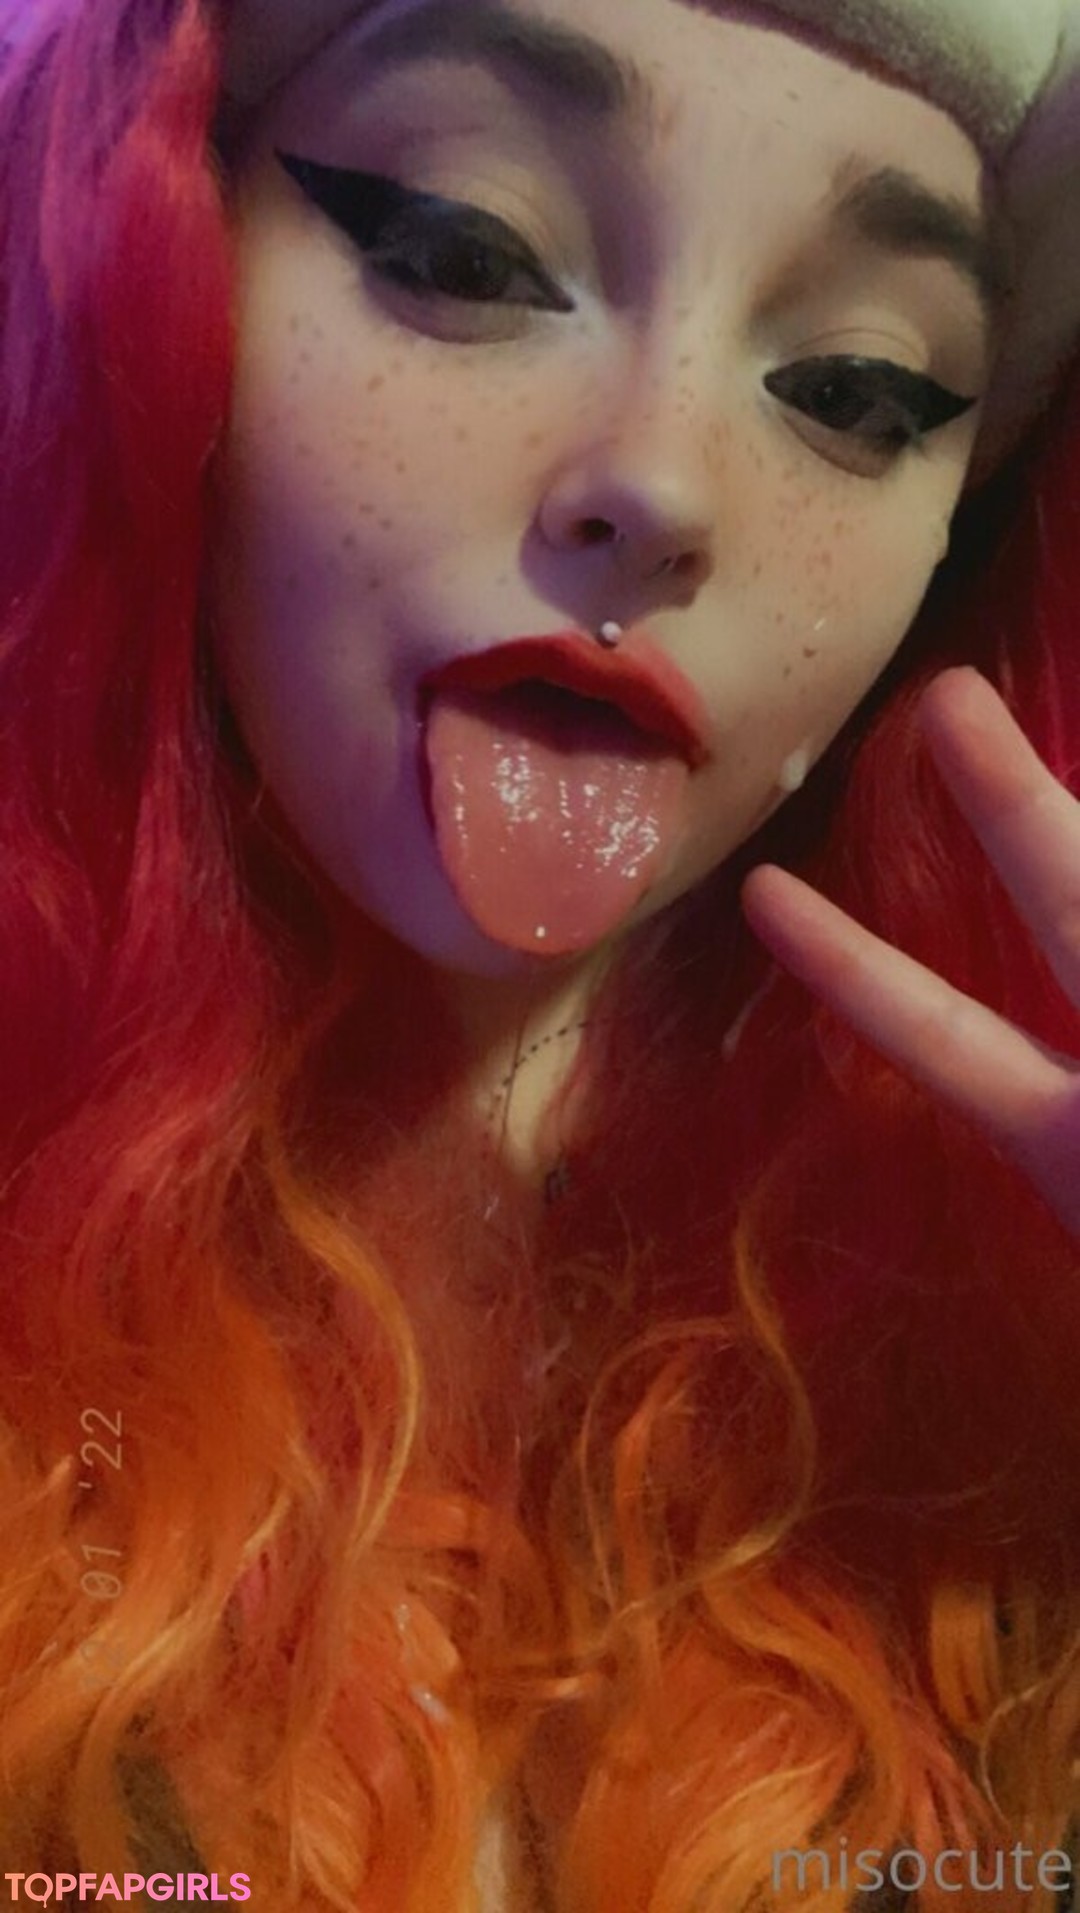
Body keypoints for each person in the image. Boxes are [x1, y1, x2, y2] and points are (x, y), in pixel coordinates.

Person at [0, 0, 1078, 1906]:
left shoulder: (1006, 1304)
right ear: (154, 266)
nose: (660, 486)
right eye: (466, 251)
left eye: (854, 387)